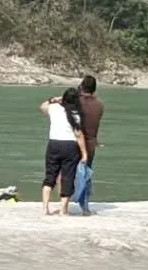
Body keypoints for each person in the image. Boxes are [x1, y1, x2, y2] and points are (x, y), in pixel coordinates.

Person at [40, 88, 87, 217]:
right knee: (68, 178)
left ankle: (45, 209)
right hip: (70, 146)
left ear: (64, 98)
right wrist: (84, 153)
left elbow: (42, 107)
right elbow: (78, 135)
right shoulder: (76, 114)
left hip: (54, 144)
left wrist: (54, 99)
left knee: (50, 177)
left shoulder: (54, 108)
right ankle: (63, 210)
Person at [74, 73, 104, 215]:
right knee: (86, 174)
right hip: (91, 143)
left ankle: (65, 204)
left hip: (74, 142)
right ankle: (85, 207)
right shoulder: (99, 105)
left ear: (81, 86)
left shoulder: (75, 101)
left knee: (67, 172)